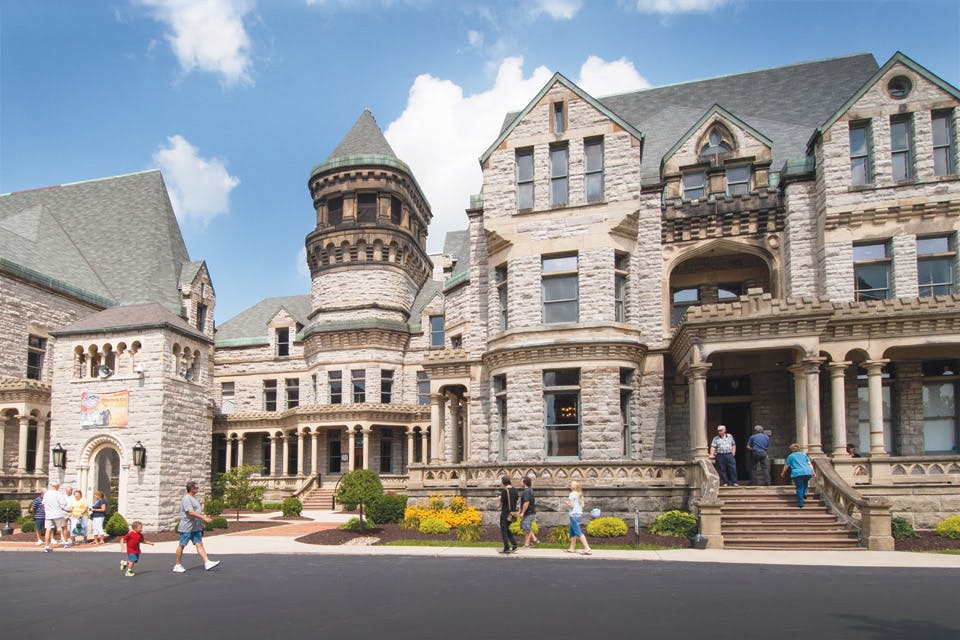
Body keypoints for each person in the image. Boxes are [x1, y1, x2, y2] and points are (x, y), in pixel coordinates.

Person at [173, 481, 220, 573]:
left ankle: (207, 562)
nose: (198, 489)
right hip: (187, 527)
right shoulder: (186, 499)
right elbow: (190, 512)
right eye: (196, 488)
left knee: (199, 544)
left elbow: (196, 512)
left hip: (195, 527)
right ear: (192, 489)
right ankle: (177, 565)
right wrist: (204, 518)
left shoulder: (194, 498)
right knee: (182, 545)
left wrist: (200, 522)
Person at [781, 443, 817, 508]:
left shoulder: (791, 456)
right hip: (807, 472)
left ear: (792, 449)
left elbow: (787, 465)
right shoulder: (804, 455)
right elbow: (809, 464)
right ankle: (805, 493)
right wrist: (813, 472)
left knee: (799, 487)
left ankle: (801, 503)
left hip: (797, 473)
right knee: (805, 482)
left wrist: (783, 472)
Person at [42, 482, 70, 552]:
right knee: (64, 527)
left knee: (48, 529)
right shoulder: (58, 494)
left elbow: (43, 503)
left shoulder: (47, 494)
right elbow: (63, 504)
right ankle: (66, 542)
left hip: (48, 514)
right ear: (57, 486)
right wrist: (68, 509)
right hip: (58, 513)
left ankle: (47, 546)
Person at [565, 480, 591, 555]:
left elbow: (571, 505)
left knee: (578, 532)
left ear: (572, 487)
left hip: (573, 515)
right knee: (572, 531)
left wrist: (567, 503)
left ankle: (587, 548)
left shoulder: (571, 494)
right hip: (579, 515)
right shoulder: (580, 494)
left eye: (571, 484)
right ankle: (572, 548)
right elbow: (583, 505)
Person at [497, 475, 519, 554]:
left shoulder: (504, 491)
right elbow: (516, 500)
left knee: (504, 530)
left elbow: (500, 504)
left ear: (503, 482)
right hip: (513, 513)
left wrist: (499, 499)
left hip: (505, 513)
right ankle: (514, 544)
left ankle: (506, 547)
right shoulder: (515, 490)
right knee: (507, 528)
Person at [518, 476, 539, 549]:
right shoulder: (530, 490)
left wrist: (522, 512)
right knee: (525, 526)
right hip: (530, 512)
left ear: (525, 482)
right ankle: (535, 539)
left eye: (521, 481)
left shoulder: (527, 491)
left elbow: (526, 502)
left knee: (527, 528)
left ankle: (526, 544)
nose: (520, 482)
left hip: (528, 513)